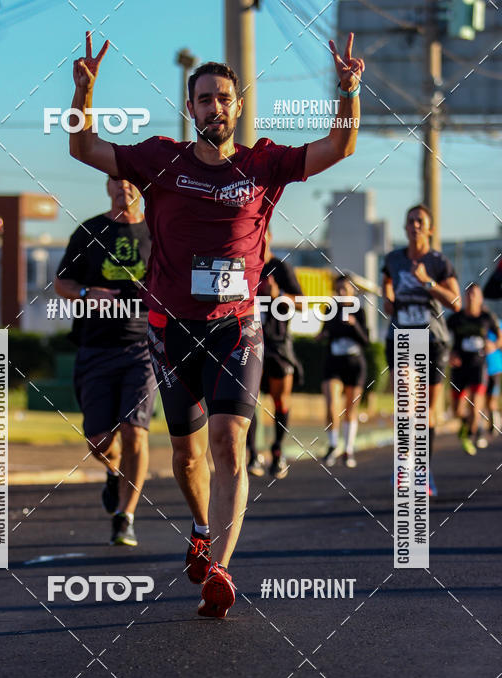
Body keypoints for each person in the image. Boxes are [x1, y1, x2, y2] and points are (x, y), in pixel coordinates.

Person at [68, 30, 364, 617]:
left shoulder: (264, 164)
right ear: (191, 107)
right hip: (171, 327)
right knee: (186, 455)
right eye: (204, 98)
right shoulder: (159, 159)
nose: (214, 107)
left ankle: (221, 570)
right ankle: (202, 526)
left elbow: (340, 148)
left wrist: (348, 91)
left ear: (237, 106)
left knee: (230, 443)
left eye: (223, 98)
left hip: (235, 326)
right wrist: (85, 92)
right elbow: (84, 149)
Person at [54, 176, 156, 547]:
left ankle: (125, 517)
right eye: (116, 180)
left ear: (142, 189)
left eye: (131, 182)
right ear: (107, 186)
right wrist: (87, 292)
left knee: (135, 432)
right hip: (95, 348)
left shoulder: (157, 232)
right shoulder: (90, 231)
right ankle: (114, 471)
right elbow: (61, 283)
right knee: (99, 442)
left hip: (142, 349)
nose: (123, 187)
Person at [382, 204, 461, 497]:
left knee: (426, 412)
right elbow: (386, 289)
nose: (414, 225)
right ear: (404, 227)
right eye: (410, 221)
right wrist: (388, 298)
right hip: (401, 336)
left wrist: (427, 282)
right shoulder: (392, 259)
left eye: (420, 221)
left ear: (430, 229)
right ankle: (403, 467)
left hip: (432, 341)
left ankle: (423, 472)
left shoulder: (438, 261)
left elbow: (456, 302)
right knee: (406, 405)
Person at [247, 256, 303, 480]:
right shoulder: (244, 261)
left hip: (278, 346)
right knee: (249, 400)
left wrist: (278, 296)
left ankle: (277, 450)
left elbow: (302, 302)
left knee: (281, 401)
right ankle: (252, 454)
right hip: (250, 341)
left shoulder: (281, 267)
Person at [318, 273, 368, 468]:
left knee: (350, 409)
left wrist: (354, 325)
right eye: (338, 289)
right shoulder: (330, 310)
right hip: (333, 362)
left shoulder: (360, 312)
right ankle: (332, 445)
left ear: (352, 292)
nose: (341, 293)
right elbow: (325, 331)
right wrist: (321, 335)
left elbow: (366, 340)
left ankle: (348, 449)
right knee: (331, 404)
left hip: (354, 364)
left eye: (344, 290)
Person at [447, 283, 501, 454]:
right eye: (468, 294)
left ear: (480, 298)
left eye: (474, 294)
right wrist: (450, 354)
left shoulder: (487, 318)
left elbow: (500, 338)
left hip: (479, 367)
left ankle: (471, 434)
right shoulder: (455, 318)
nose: (471, 297)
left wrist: (494, 345)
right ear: (464, 297)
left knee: (475, 406)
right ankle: (465, 425)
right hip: (459, 367)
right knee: (456, 410)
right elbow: (441, 337)